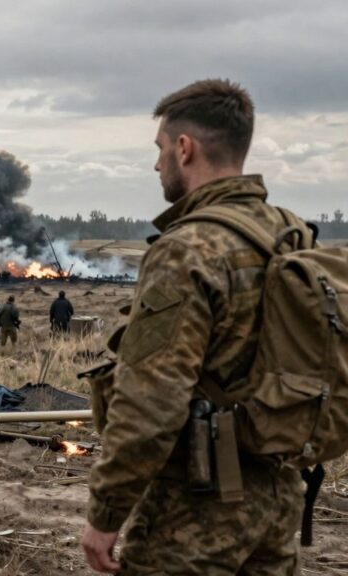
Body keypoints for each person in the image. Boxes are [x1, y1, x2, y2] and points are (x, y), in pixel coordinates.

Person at [82, 79, 307, 574]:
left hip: (197, 507)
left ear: (185, 148)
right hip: (280, 496)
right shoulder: (288, 233)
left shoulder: (187, 249)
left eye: (160, 149)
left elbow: (151, 398)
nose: (157, 163)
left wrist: (106, 512)